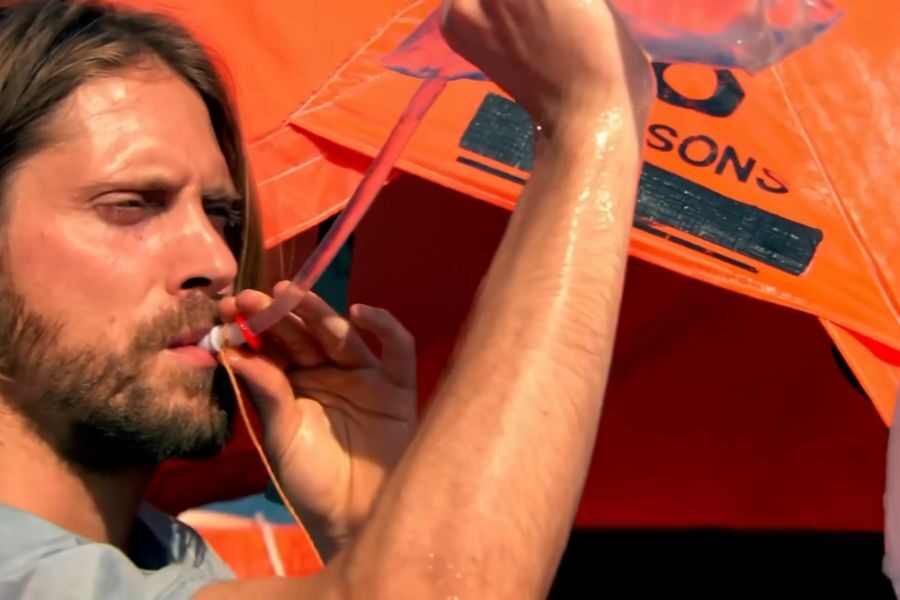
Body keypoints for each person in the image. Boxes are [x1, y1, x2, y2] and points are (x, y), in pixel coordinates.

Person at [0, 0, 654, 597]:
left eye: (223, 214)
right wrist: (591, 128)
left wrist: (368, 524)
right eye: (131, 207)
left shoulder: (164, 561)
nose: (219, 261)